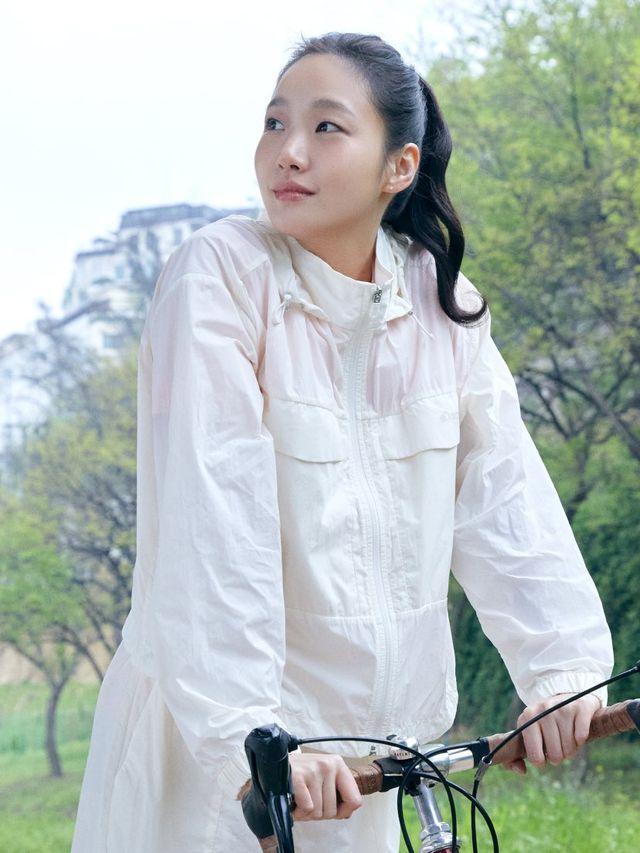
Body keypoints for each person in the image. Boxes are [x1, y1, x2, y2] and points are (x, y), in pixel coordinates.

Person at [71, 31, 614, 853]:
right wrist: (254, 734)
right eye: (274, 122)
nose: (287, 151)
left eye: (326, 126)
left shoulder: (441, 304)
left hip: (373, 771)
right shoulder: (220, 277)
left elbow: (504, 497)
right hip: (223, 774)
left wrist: (563, 673)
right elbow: (212, 524)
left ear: (399, 165)